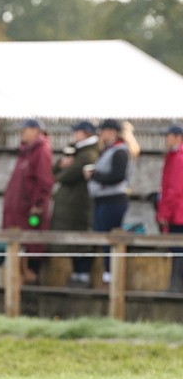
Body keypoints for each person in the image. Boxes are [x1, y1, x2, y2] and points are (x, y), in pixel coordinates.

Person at [1, 118, 54, 284]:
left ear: (36, 130)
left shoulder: (41, 151)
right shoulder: (25, 152)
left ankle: (31, 284)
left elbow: (44, 181)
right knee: (18, 246)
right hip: (17, 214)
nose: (21, 133)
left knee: (31, 246)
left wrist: (37, 205)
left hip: (30, 213)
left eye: (24, 130)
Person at [50, 121, 102, 286]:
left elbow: (68, 175)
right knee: (71, 241)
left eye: (77, 132)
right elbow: (56, 170)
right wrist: (61, 164)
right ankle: (76, 274)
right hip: (69, 206)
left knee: (81, 241)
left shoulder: (89, 153)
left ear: (86, 133)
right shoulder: (74, 150)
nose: (74, 135)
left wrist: (63, 171)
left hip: (80, 205)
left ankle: (83, 275)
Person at [85, 118, 133, 284]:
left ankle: (113, 275)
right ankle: (108, 273)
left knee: (110, 239)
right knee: (104, 238)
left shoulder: (119, 151)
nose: (100, 134)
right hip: (103, 200)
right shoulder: (108, 150)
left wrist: (94, 176)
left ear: (111, 131)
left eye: (103, 130)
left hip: (113, 201)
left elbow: (118, 176)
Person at [156, 123, 183, 292]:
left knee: (178, 250)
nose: (166, 139)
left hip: (178, 215)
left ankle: (176, 288)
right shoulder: (174, 156)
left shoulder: (178, 158)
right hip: (177, 213)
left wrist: (164, 213)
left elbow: (174, 189)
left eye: (168, 135)